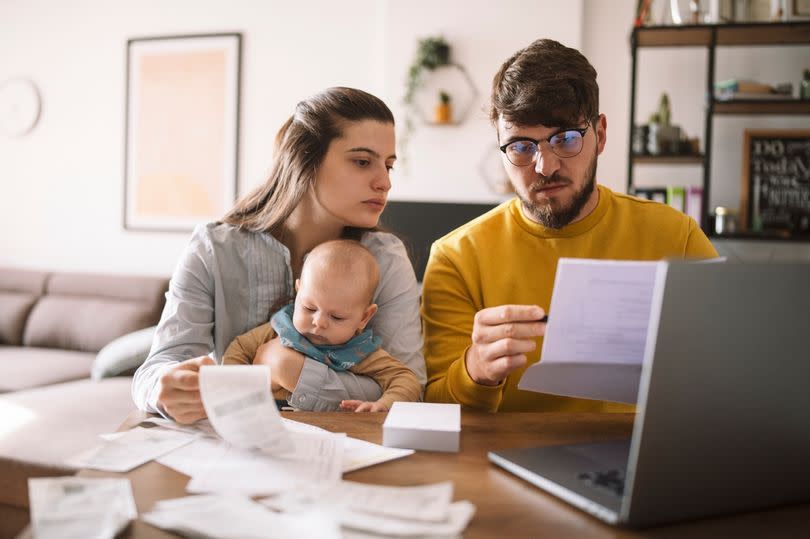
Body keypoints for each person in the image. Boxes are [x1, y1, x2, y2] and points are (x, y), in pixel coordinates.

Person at [421, 39, 718, 413]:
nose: (545, 166)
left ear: (601, 135)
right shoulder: (456, 258)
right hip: (502, 463)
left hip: (640, 459)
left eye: (565, 138)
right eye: (521, 146)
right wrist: (476, 370)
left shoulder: (678, 237)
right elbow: (434, 411)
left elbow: (729, 372)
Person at [132, 87, 425, 423]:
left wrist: (290, 370)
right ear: (304, 161)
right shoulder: (214, 248)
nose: (384, 182)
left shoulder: (385, 259)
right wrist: (164, 389)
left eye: (388, 166)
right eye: (362, 162)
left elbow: (410, 386)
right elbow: (156, 368)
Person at [222, 239, 421, 412]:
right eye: (309, 308)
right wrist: (233, 391)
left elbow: (407, 380)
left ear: (364, 317)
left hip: (329, 429)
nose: (319, 322)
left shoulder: (360, 352)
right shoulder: (280, 328)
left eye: (337, 317)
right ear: (298, 291)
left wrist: (385, 404)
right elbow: (239, 348)